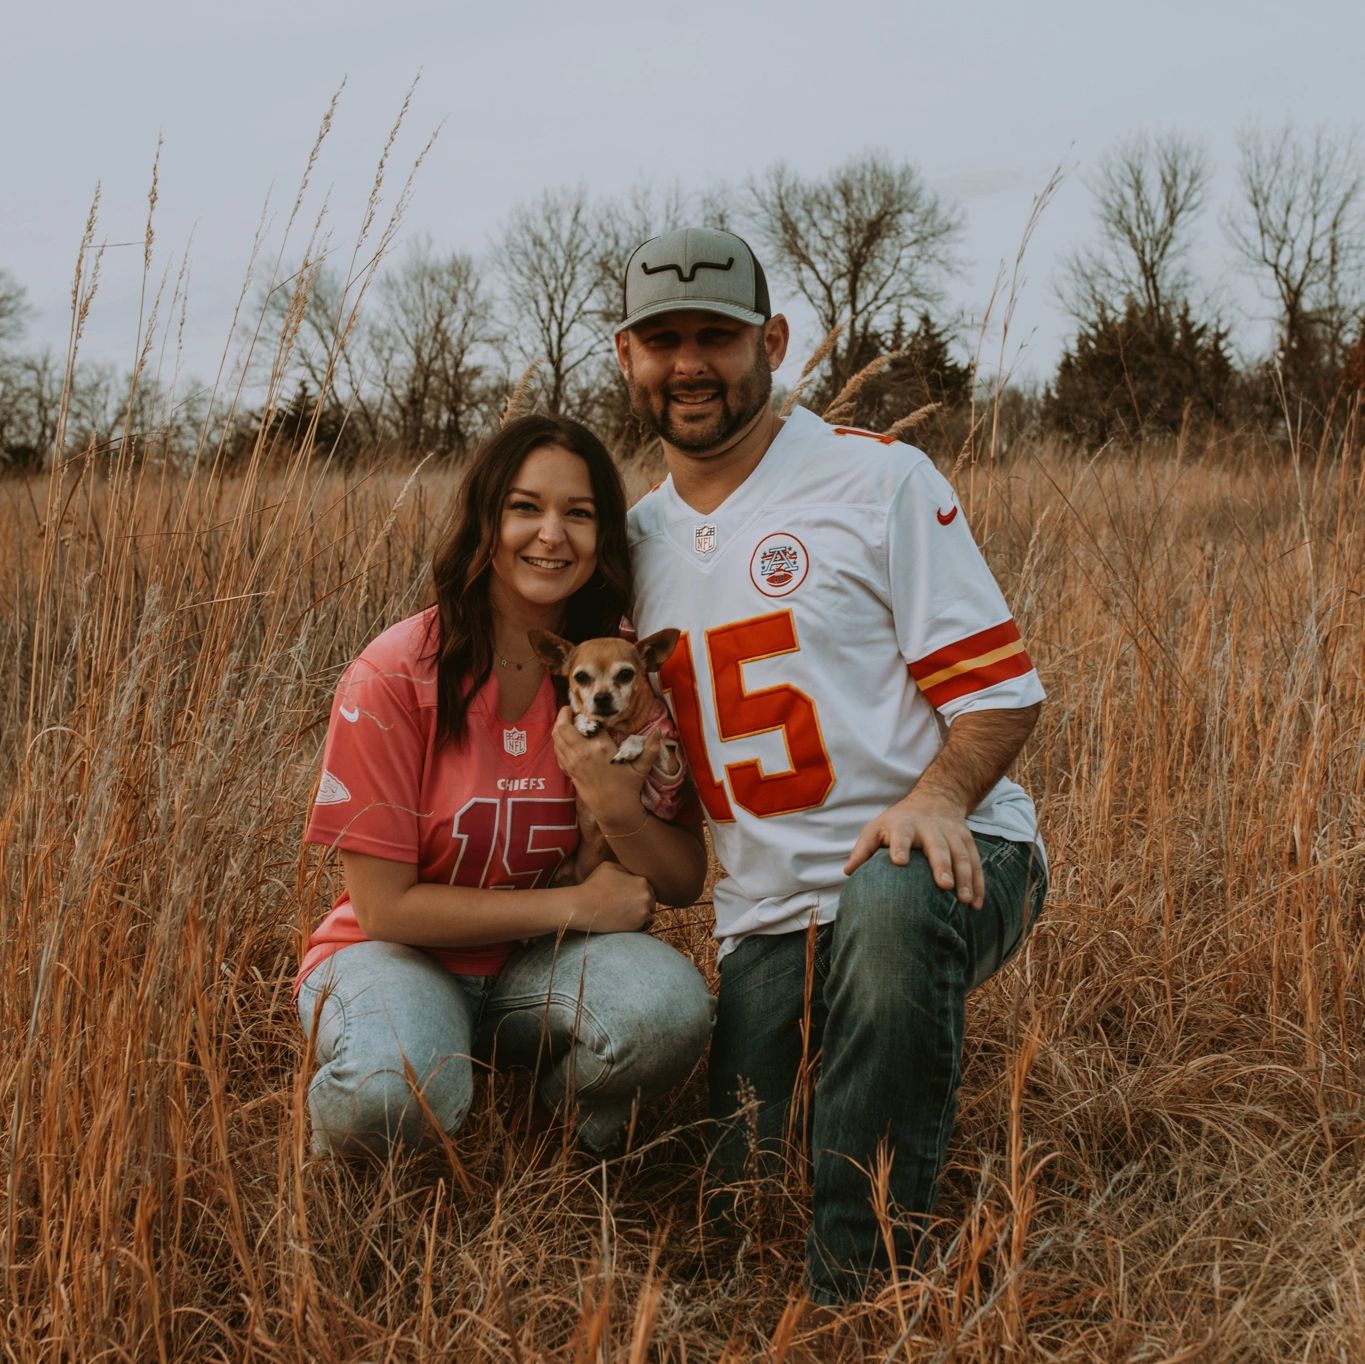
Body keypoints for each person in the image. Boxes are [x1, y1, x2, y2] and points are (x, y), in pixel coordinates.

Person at [612, 227, 1047, 1303]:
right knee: (743, 1191)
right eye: (662, 339)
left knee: (891, 895)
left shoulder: (875, 477)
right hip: (770, 918)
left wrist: (938, 796)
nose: (690, 363)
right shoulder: (631, 545)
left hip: (943, 853)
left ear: (774, 339)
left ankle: (868, 1283)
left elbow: (1001, 694)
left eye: (716, 334)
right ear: (627, 358)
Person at [297, 414, 715, 1158]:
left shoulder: (615, 673)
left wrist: (619, 811)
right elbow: (383, 907)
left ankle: (551, 1143)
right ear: (484, 521)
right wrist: (578, 904)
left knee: (667, 1014)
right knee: (392, 1091)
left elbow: (682, 880)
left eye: (578, 514)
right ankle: (353, 1160)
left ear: (603, 536)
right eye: (525, 507)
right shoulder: (397, 672)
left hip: (539, 965)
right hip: (397, 955)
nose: (551, 534)